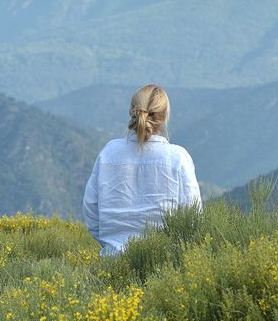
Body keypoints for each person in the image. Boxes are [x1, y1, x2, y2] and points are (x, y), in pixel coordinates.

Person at [83, 84, 202, 255]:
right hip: (165, 267)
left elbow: (91, 210)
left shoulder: (108, 153)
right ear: (165, 116)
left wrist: (110, 245)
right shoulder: (178, 158)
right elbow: (193, 218)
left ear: (132, 111)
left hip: (112, 263)